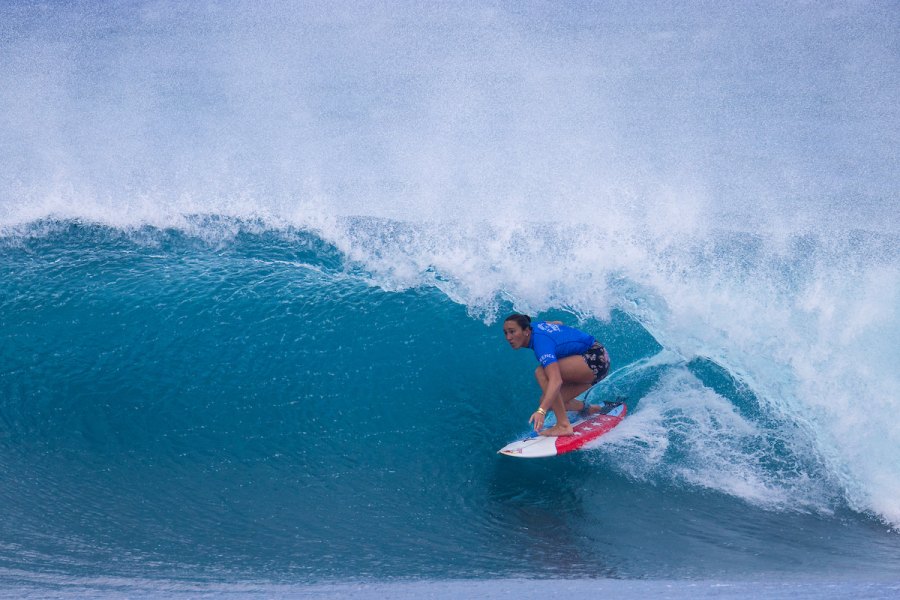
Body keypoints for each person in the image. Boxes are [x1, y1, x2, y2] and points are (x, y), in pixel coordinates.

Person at [503, 313, 610, 437]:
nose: (508, 337)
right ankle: (589, 409)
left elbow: (556, 380)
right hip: (593, 361)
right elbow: (558, 323)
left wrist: (541, 411)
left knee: (541, 372)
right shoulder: (535, 325)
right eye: (506, 333)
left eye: (512, 332)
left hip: (595, 358)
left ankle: (563, 425)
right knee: (548, 400)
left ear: (526, 331)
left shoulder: (541, 345)